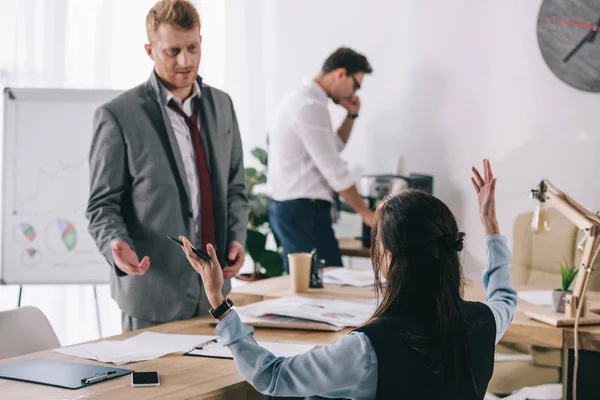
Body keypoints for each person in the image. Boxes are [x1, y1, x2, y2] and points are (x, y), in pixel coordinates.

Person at [180, 159, 517, 399]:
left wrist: (220, 305)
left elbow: (272, 376)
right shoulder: (484, 323)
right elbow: (504, 297)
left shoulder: (366, 349)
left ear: (390, 259)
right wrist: (490, 224)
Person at [86, 0, 248, 332]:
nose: (185, 61)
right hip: (153, 296)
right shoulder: (118, 115)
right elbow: (102, 204)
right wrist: (114, 242)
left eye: (192, 47)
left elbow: (235, 188)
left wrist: (237, 236)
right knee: (158, 387)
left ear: (201, 40)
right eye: (173, 51)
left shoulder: (222, 105)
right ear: (150, 50)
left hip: (215, 297)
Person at [267, 47, 376, 272]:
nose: (354, 92)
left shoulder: (305, 101)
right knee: (319, 287)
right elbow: (334, 168)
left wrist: (351, 115)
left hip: (299, 208)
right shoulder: (309, 105)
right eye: (355, 85)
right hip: (302, 209)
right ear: (339, 74)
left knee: (323, 282)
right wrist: (367, 214)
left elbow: (332, 148)